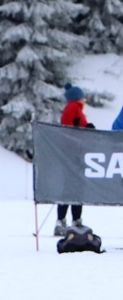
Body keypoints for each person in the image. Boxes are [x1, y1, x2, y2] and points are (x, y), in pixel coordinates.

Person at [57, 83, 92, 235]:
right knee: (72, 187)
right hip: (72, 154)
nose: (85, 99)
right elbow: (69, 130)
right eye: (83, 96)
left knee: (74, 187)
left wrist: (86, 129)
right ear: (77, 98)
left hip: (75, 153)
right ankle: (65, 220)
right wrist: (82, 131)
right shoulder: (73, 107)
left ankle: (72, 219)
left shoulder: (76, 109)